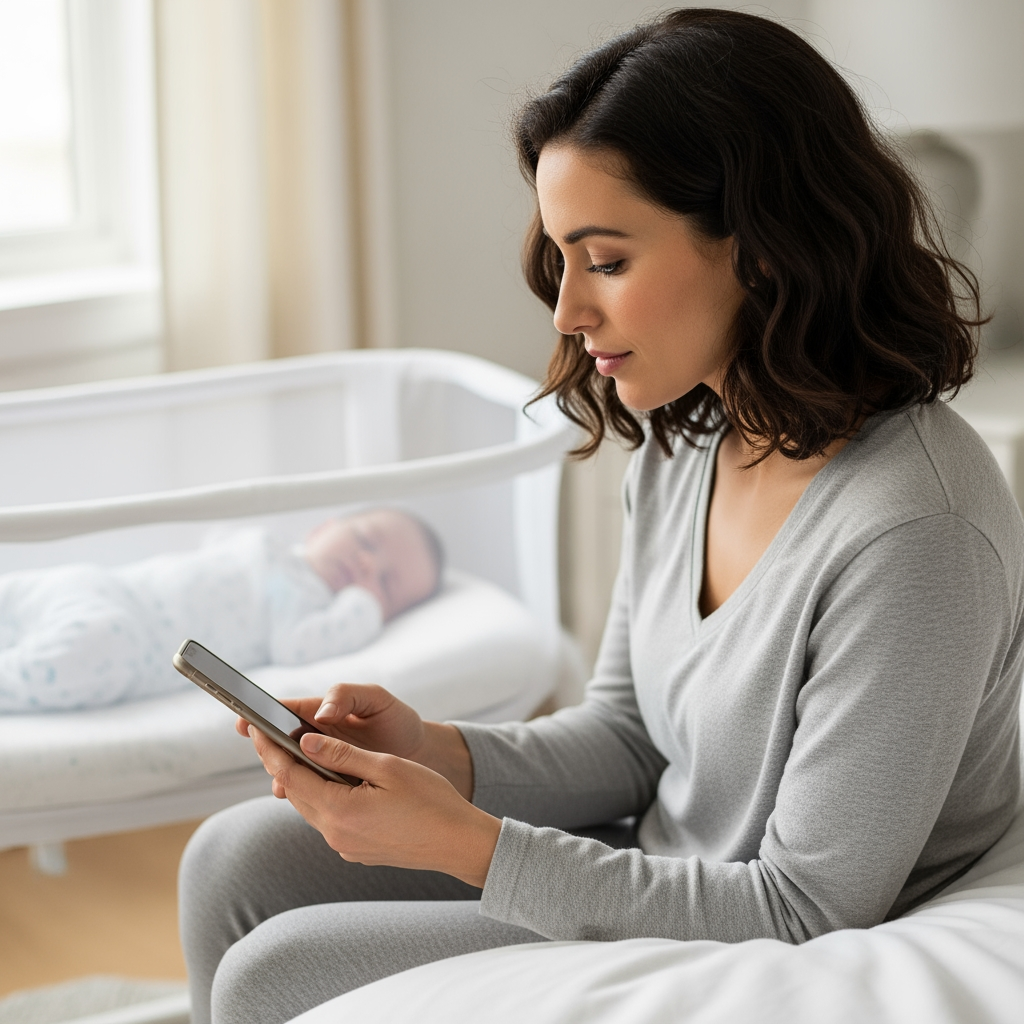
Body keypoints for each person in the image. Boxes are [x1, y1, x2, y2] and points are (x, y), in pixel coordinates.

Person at [179, 10, 1024, 1024]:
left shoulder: (915, 529)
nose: (566, 312)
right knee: (232, 858)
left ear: (759, 248)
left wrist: (460, 838)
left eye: (607, 259)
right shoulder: (690, 441)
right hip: (671, 862)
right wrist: (432, 749)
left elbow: (803, 905)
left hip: (766, 922)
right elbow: (629, 737)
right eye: (562, 257)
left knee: (273, 973)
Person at [0, 507, 441, 712]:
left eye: (385, 582)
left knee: (88, 652)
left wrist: (360, 605)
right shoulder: (268, 545)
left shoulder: (308, 607)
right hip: (107, 584)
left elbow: (296, 647)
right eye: (365, 541)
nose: (366, 564)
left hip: (131, 637)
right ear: (322, 527)